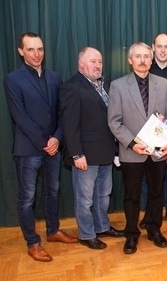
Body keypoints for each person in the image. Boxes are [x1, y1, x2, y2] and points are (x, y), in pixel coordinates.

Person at [3, 32, 78, 262]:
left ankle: (53, 230)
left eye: (40, 49)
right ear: (21, 51)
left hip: (53, 147)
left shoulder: (54, 77)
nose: (36, 54)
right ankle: (33, 242)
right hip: (29, 149)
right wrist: (44, 142)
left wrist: (56, 138)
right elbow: (20, 117)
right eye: (31, 49)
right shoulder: (13, 79)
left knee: (53, 191)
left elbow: (60, 112)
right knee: (27, 197)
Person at [108, 42, 167, 254]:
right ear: (130, 60)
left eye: (146, 56)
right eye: (137, 56)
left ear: (152, 58)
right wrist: (132, 143)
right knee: (132, 196)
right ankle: (131, 234)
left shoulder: (164, 84)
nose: (142, 60)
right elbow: (114, 122)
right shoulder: (118, 86)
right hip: (132, 152)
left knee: (157, 194)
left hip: (157, 153)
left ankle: (154, 229)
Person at [59, 47, 124, 250]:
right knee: (85, 198)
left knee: (103, 195)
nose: (97, 65)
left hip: (105, 153)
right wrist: (77, 154)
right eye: (93, 61)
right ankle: (87, 234)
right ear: (81, 64)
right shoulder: (72, 87)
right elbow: (69, 125)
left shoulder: (102, 86)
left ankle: (102, 226)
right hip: (85, 155)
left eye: (100, 62)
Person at [139, 33, 167, 228]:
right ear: (153, 48)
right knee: (148, 178)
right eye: (159, 46)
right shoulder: (145, 68)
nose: (163, 50)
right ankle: (148, 214)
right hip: (147, 134)